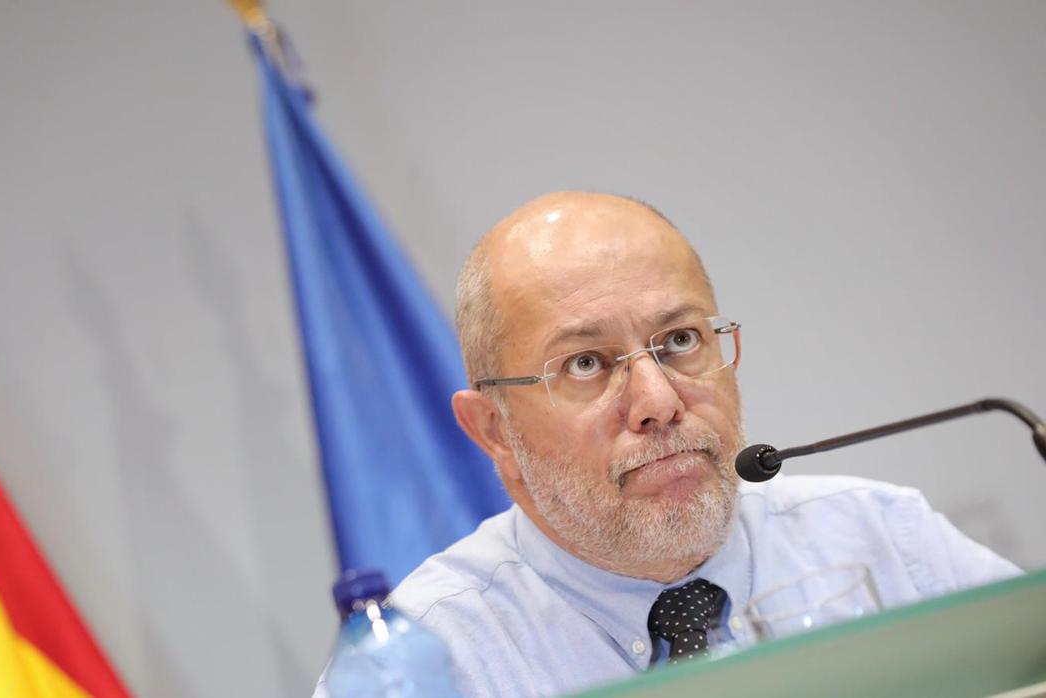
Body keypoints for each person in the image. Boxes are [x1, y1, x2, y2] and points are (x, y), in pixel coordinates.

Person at [314, 192, 1020, 698]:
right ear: (493, 430)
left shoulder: (885, 543)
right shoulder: (431, 660)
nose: (658, 402)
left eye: (680, 341)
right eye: (585, 363)